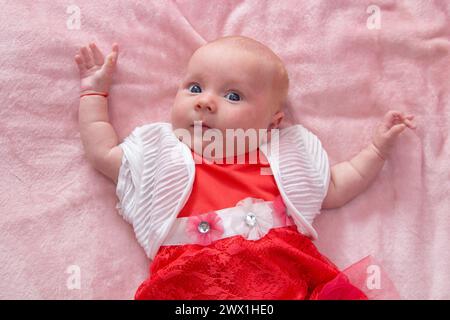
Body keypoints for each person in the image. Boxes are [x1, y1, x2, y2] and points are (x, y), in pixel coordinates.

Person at [75, 35, 416, 299]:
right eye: (194, 87)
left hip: (287, 282)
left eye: (233, 96)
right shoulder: (160, 156)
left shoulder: (281, 157)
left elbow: (338, 186)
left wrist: (376, 149)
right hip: (190, 284)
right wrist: (94, 95)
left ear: (272, 124)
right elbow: (103, 153)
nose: (205, 102)